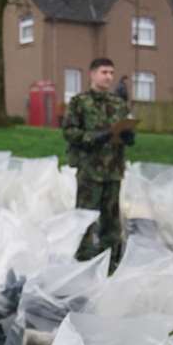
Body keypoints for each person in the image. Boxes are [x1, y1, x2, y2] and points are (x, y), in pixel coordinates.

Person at [61, 56, 135, 265]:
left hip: (113, 170)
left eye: (111, 73)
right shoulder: (80, 102)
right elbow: (69, 132)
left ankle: (111, 262)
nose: (109, 77)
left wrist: (129, 137)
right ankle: (82, 261)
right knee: (85, 219)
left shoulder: (118, 104)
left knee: (112, 222)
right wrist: (94, 137)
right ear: (92, 74)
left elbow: (125, 129)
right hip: (90, 170)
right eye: (104, 72)